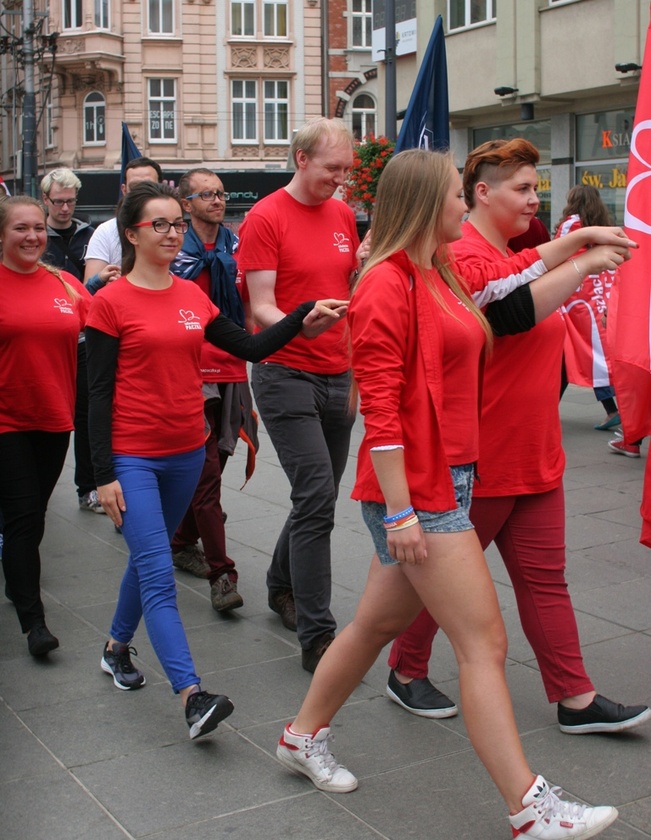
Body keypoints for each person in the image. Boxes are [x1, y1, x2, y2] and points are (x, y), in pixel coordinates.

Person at [274, 148, 622, 839]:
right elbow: (379, 405)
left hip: (444, 478)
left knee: (375, 625)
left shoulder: (437, 270)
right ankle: (531, 808)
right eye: (456, 197)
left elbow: (509, 278)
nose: (468, 205)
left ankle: (300, 735)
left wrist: (576, 244)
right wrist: (402, 509)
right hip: (421, 490)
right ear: (427, 205)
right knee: (482, 643)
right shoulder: (386, 284)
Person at [386, 139, 651, 736]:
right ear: (481, 193)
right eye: (524, 188)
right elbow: (505, 314)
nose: (537, 199)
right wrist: (579, 260)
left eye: (537, 187)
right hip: (478, 455)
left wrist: (574, 255)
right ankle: (404, 669)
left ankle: (575, 696)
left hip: (534, 448)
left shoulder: (519, 250)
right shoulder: (457, 253)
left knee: (545, 580)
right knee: (434, 591)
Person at [85, 181, 347, 738]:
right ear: (131, 234)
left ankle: (115, 647)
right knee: (158, 573)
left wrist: (302, 315)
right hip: (133, 457)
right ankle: (191, 694)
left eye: (176, 224)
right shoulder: (108, 303)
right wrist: (103, 474)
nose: (172, 232)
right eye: (159, 224)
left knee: (146, 558)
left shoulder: (191, 297)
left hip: (185, 451)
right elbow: (97, 393)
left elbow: (249, 346)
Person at [237, 117, 364, 672]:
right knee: (316, 497)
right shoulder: (266, 216)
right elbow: (261, 305)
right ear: (301, 159)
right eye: (331, 169)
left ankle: (279, 582)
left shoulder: (341, 214)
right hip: (284, 368)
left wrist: (356, 371)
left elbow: (351, 291)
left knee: (319, 495)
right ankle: (318, 635)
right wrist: (298, 323)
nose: (339, 181)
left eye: (346, 171)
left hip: (337, 371)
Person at [0, 196, 90, 656]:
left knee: (31, 516)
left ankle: (17, 580)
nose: (32, 236)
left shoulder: (66, 284)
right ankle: (34, 623)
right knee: (21, 517)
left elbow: (110, 328)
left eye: (37, 228)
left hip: (55, 417)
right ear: (2, 235)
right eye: (20, 228)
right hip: (6, 421)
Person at [169, 167, 253, 611]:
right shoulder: (172, 250)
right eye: (207, 194)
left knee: (215, 465)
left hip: (232, 367)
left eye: (221, 194)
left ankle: (182, 541)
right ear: (186, 203)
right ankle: (223, 573)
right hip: (190, 374)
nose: (218, 201)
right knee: (206, 480)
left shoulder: (237, 246)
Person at [40, 167, 105, 515]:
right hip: (47, 339)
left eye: (70, 201)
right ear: (45, 200)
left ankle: (88, 486)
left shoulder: (87, 234)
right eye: (58, 202)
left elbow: (85, 291)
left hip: (82, 338)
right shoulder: (37, 236)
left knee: (87, 412)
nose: (65, 208)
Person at [555, 185, 622, 432]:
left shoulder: (571, 225)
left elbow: (556, 256)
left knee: (577, 352)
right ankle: (615, 408)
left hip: (576, 299)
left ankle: (614, 409)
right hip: (598, 298)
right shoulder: (603, 224)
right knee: (592, 354)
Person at [84, 156, 163, 293]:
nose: (142, 193)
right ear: (124, 189)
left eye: (149, 186)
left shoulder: (173, 230)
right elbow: (87, 290)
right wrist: (101, 282)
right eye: (135, 187)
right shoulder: (106, 231)